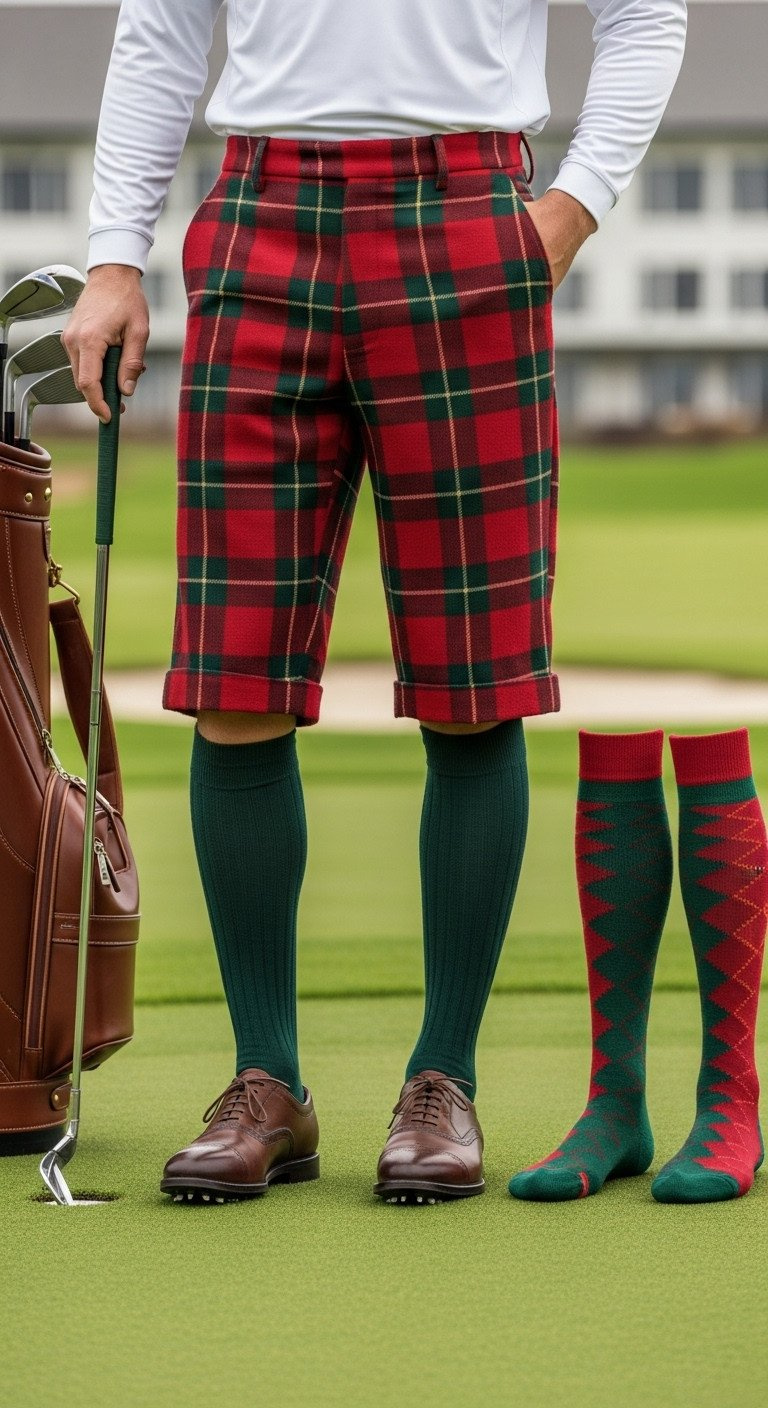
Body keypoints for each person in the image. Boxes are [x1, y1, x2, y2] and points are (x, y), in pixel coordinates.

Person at [63, 0, 687, 1205]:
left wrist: (572, 205)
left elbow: (646, 14)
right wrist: (112, 256)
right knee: (235, 674)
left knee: (472, 678)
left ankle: (443, 1080)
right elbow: (160, 29)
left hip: (467, 217)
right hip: (259, 219)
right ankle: (267, 1085)